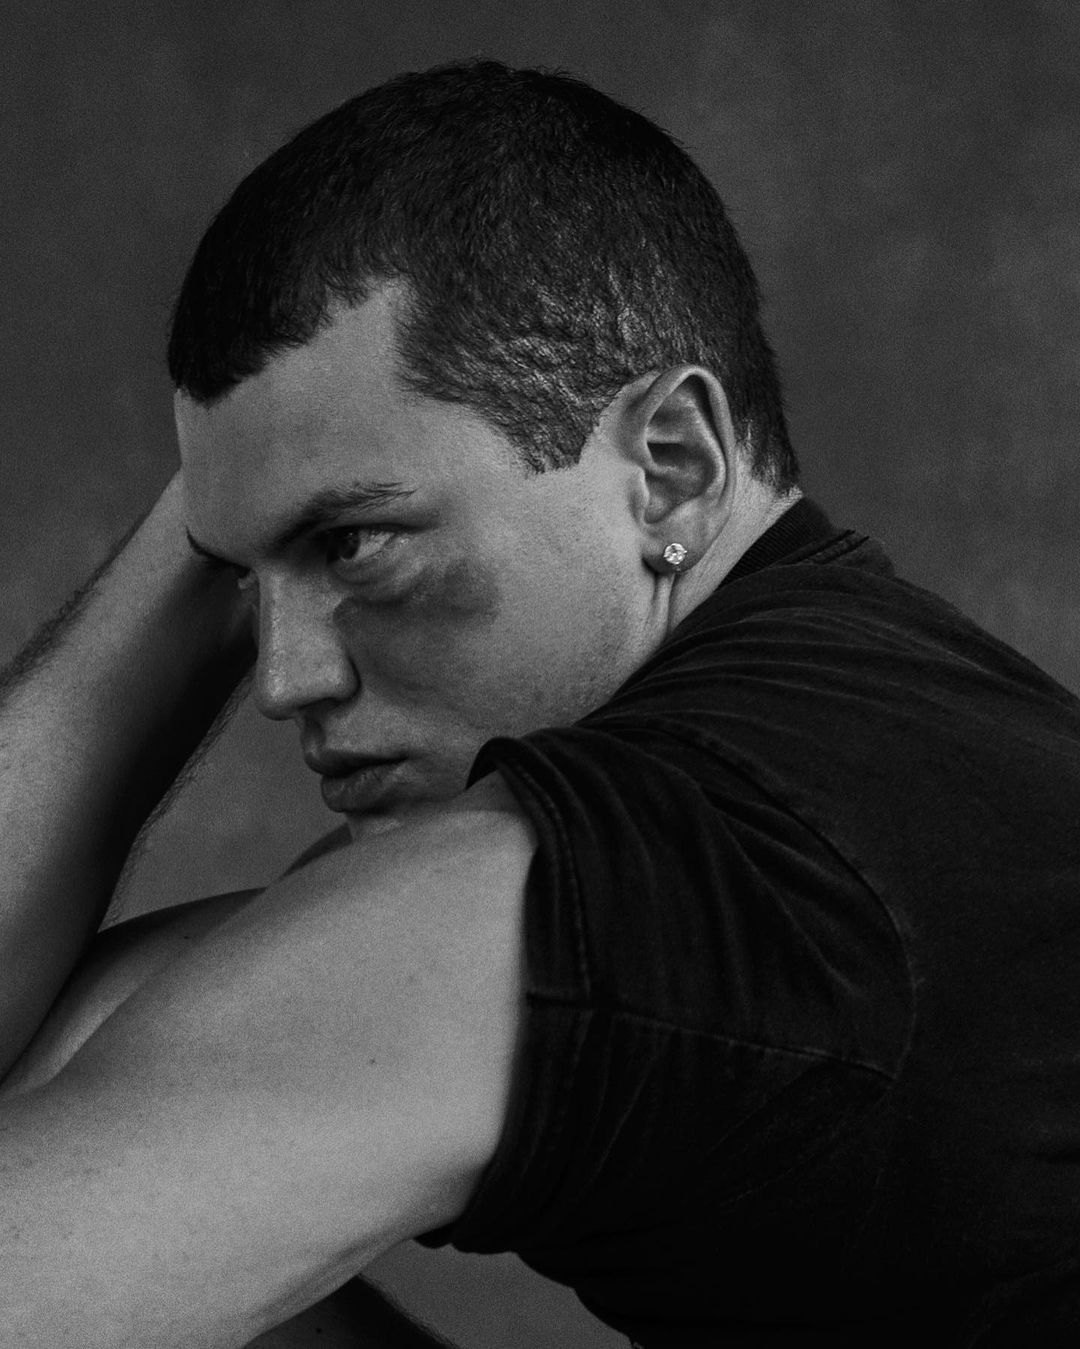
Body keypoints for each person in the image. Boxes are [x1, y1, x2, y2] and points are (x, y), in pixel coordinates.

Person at [1, 57, 1078, 1349]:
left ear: (670, 469)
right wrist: (252, 488)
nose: (285, 679)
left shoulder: (669, 883)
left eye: (354, 543)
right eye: (237, 578)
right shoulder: (878, 725)